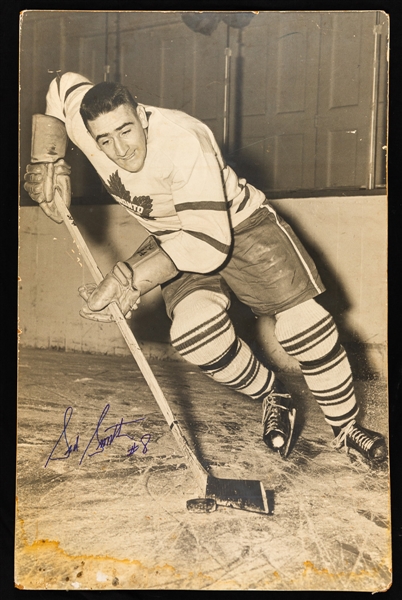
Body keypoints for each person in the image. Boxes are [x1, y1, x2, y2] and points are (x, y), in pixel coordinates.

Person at [24, 72, 387, 465]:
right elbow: (60, 86)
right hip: (175, 237)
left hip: (238, 224)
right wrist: (47, 160)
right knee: (194, 334)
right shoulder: (87, 124)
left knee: (304, 323)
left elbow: (208, 243)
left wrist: (130, 278)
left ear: (143, 116)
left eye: (126, 130)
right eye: (104, 140)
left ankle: (347, 428)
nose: (120, 149)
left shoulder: (183, 140)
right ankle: (273, 394)